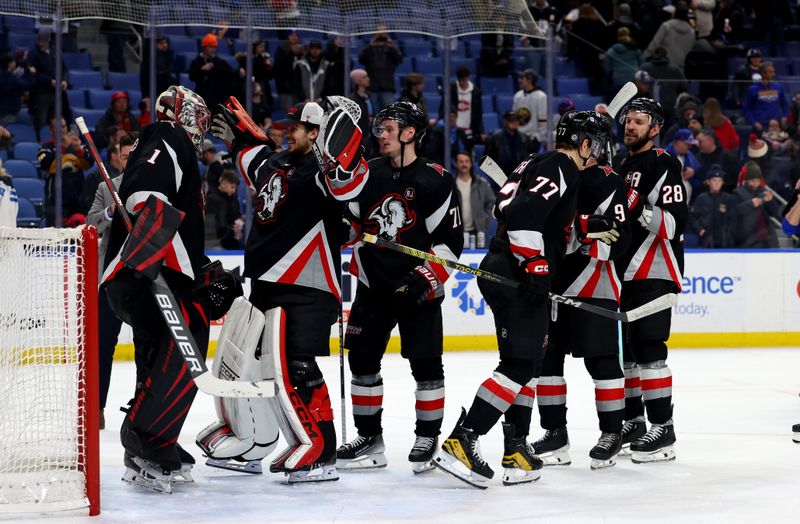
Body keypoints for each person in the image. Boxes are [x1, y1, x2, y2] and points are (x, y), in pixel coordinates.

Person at [434, 111, 607, 488]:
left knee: (524, 364)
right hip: (517, 272)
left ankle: (516, 447)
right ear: (585, 143)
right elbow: (524, 213)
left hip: (506, 266)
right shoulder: (562, 164)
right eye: (595, 146)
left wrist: (586, 228)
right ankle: (465, 437)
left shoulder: (536, 161)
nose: (596, 154)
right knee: (517, 366)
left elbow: (528, 213)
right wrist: (536, 266)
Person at [211, 98, 369, 482]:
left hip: (308, 286)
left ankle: (321, 449)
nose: (287, 131)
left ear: (318, 134)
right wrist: (242, 142)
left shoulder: (323, 170)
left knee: (296, 367)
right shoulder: (276, 164)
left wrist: (342, 150)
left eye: (297, 127)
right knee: (256, 367)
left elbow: (349, 181)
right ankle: (253, 443)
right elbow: (252, 154)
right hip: (266, 283)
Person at [101, 85, 222, 493]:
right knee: (189, 338)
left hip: (144, 273)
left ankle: (150, 443)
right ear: (184, 113)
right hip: (144, 271)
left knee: (157, 354)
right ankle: (146, 437)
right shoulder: (167, 135)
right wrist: (154, 258)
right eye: (200, 117)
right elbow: (144, 193)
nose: (204, 127)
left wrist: (199, 270)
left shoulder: (168, 143)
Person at [337, 100, 463, 474]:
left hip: (417, 289)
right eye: (379, 128)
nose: (381, 135)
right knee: (361, 362)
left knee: (426, 366)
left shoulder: (436, 179)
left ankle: (427, 435)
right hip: (372, 286)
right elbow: (352, 225)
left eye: (389, 128)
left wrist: (422, 279)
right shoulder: (368, 173)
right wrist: (338, 227)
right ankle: (369, 439)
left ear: (410, 133)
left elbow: (449, 244)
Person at [532, 114, 631, 471]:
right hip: (554, 280)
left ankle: (612, 432)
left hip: (593, 281)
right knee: (548, 358)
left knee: (601, 358)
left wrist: (587, 242)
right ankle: (555, 432)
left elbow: (622, 237)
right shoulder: (555, 172)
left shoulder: (607, 180)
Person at [612, 97, 687, 464]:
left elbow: (672, 226)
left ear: (655, 129)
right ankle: (634, 421)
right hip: (625, 274)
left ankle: (663, 427)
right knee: (629, 357)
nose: (630, 125)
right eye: (628, 120)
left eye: (639, 121)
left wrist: (634, 202)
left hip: (654, 272)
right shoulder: (621, 164)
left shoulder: (664, 164)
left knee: (650, 352)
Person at [86, 132, 134, 429]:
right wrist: (109, 210)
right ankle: (97, 407)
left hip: (142, 279)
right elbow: (91, 223)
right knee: (103, 346)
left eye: (134, 156)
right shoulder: (107, 188)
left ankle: (143, 408)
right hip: (110, 280)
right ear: (117, 157)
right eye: (125, 156)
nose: (129, 161)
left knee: (149, 346)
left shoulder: (153, 188)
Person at [37, 117, 93, 226]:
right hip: (55, 200)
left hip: (78, 198)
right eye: (57, 127)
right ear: (51, 130)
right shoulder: (46, 146)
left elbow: (90, 161)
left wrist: (78, 150)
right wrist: (62, 148)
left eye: (63, 126)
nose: (61, 129)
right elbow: (44, 163)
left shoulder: (77, 144)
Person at [729, 161, 779, 248]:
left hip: (767, 239)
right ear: (747, 180)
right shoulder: (737, 193)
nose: (756, 184)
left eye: (758, 181)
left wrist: (770, 201)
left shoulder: (764, 192)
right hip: (747, 240)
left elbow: (774, 213)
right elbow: (733, 212)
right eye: (753, 181)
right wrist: (751, 204)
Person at [483, 111, 535, 191]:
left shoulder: (524, 139)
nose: (514, 122)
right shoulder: (494, 139)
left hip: (520, 178)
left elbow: (530, 159)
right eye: (511, 120)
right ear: (505, 121)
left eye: (517, 120)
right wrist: (496, 177)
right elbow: (486, 161)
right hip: (500, 179)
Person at [453, 151, 495, 248]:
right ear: (456, 164)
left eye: (467, 161)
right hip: (457, 231)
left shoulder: (481, 183)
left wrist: (485, 220)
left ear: (471, 164)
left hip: (478, 231)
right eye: (461, 161)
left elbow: (492, 203)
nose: (464, 164)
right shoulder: (451, 183)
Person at [689, 165, 736, 248]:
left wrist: (730, 233)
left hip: (725, 242)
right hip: (706, 241)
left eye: (720, 180)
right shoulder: (702, 198)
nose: (717, 183)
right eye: (714, 180)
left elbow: (733, 218)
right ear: (708, 182)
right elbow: (693, 217)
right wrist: (700, 229)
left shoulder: (728, 198)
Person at [189, 33, 238, 111]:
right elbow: (191, 76)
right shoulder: (197, 61)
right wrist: (202, 70)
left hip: (217, 97)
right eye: (211, 47)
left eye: (215, 47)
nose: (213, 49)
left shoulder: (219, 62)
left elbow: (230, 73)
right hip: (201, 96)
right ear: (204, 47)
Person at [358, 31, 403, 112]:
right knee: (372, 110)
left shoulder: (390, 49)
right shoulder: (370, 49)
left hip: (387, 86)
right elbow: (361, 59)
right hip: (372, 85)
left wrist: (391, 46)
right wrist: (370, 45)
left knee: (388, 111)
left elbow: (399, 59)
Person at [743, 62, 789, 132]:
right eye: (770, 72)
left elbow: (785, 104)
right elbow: (746, 108)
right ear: (763, 74)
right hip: (761, 126)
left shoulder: (778, 87)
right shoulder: (753, 89)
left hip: (777, 125)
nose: (773, 74)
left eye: (774, 72)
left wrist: (785, 116)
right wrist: (754, 122)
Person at [204, 167, 244, 250]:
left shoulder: (233, 199)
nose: (234, 190)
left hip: (232, 242)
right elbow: (214, 225)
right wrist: (231, 230)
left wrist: (239, 222)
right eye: (232, 187)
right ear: (223, 184)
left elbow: (237, 215)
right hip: (217, 244)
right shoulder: (212, 199)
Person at [512, 69, 547, 148]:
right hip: (518, 136)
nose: (519, 80)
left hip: (532, 137)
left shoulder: (541, 96)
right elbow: (514, 115)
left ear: (529, 80)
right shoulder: (518, 95)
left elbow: (543, 120)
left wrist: (538, 137)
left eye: (522, 78)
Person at [349, 69, 377, 159]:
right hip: (361, 137)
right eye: (365, 77)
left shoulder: (370, 96)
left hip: (371, 135)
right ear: (359, 81)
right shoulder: (353, 100)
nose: (368, 79)